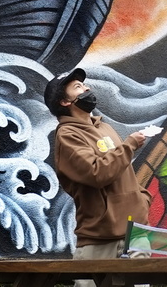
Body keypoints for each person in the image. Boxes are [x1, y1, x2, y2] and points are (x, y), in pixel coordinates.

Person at [44, 68, 151, 275]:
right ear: (65, 102)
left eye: (84, 85)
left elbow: (122, 171)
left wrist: (142, 199)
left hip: (135, 234)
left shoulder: (105, 128)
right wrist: (129, 146)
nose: (87, 88)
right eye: (78, 87)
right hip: (98, 241)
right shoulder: (67, 136)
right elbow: (97, 174)